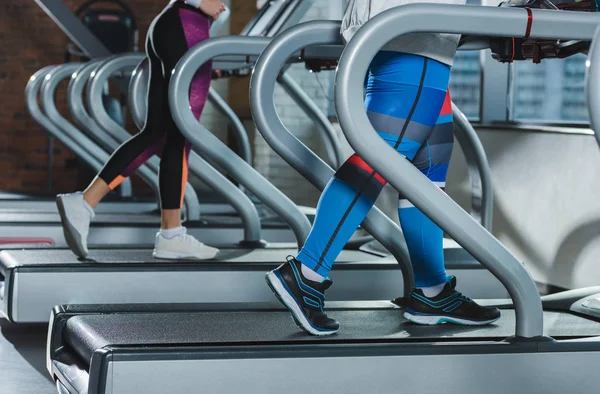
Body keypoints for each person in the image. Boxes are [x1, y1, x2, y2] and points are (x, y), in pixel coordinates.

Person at [266, 0, 501, 336]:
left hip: (422, 39)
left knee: (426, 176)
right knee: (377, 159)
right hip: (416, 37)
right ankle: (306, 273)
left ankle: (432, 291)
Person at [56, 0, 227, 260]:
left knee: (159, 133)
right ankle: (170, 234)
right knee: (179, 135)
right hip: (188, 23)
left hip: (173, 24)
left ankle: (87, 203)